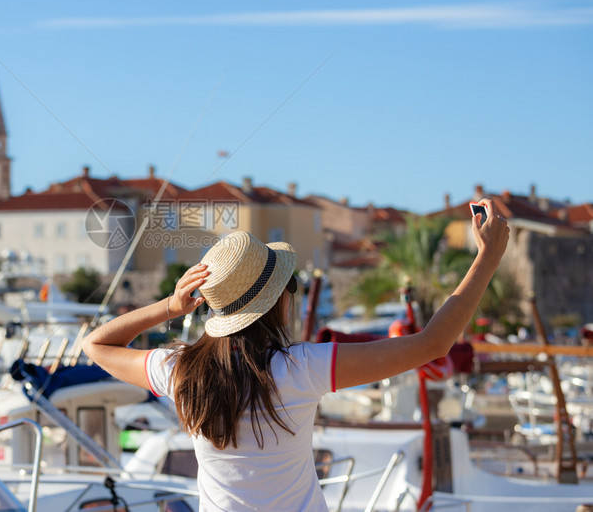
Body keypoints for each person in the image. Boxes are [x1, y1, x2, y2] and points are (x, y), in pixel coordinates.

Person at [83, 198, 509, 511]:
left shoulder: (181, 372)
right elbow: (432, 345)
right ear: (279, 302)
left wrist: (170, 308)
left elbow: (96, 345)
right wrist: (487, 258)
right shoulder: (301, 369)